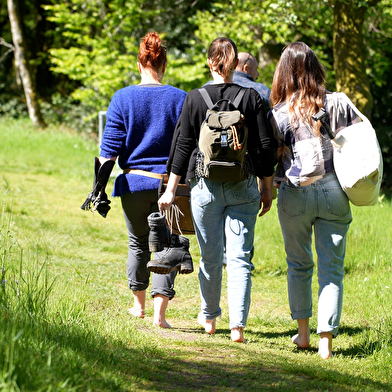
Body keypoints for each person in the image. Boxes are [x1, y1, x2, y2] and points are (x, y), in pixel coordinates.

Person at [158, 37, 276, 342]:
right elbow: (264, 146)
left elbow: (183, 145)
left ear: (210, 62)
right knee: (240, 259)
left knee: (210, 257)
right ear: (236, 64)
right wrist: (266, 187)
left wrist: (171, 189)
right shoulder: (252, 98)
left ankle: (209, 319)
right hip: (243, 185)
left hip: (204, 188)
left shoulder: (195, 98)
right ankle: (237, 326)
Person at [268, 42, 360, 358]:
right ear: (315, 68)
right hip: (335, 191)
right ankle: (326, 343)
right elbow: (357, 144)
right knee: (331, 268)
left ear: (284, 72)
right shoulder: (339, 103)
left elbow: (271, 159)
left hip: (294, 194)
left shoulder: (278, 113)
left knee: (299, 264)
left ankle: (304, 335)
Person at [97, 32, 188, 328]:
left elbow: (107, 153)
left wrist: (97, 189)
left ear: (140, 64)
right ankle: (160, 316)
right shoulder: (179, 98)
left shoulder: (123, 98)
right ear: (163, 65)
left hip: (133, 184)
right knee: (168, 244)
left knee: (137, 244)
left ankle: (138, 307)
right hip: (168, 185)